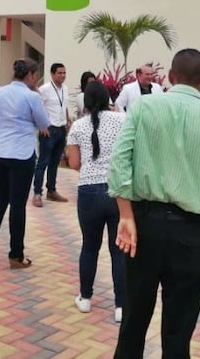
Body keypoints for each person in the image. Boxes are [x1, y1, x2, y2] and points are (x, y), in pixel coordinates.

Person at [108, 48, 200, 358]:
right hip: (190, 234)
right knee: (179, 332)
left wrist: (126, 215)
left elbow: (118, 164)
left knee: (133, 322)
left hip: (143, 226)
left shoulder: (143, 107)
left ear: (170, 76)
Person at [67, 81, 127, 323]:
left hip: (88, 191)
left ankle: (85, 298)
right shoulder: (122, 120)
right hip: (118, 191)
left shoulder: (78, 126)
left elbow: (74, 163)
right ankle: (121, 305)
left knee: (90, 246)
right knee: (118, 250)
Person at [0, 58, 51, 269]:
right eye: (36, 75)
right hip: (21, 154)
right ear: (30, 75)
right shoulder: (32, 96)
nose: (37, 80)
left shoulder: (0, 93)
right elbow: (44, 123)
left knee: (0, 198)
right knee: (18, 204)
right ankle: (16, 255)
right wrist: (37, 96)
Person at [33, 62, 71, 207]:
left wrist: (67, 119)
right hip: (49, 130)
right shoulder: (44, 89)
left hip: (61, 129)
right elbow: (37, 107)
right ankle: (37, 193)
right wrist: (41, 124)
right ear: (52, 74)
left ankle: (51, 190)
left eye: (64, 73)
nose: (62, 75)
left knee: (55, 162)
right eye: (59, 73)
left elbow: (64, 105)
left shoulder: (65, 88)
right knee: (43, 162)